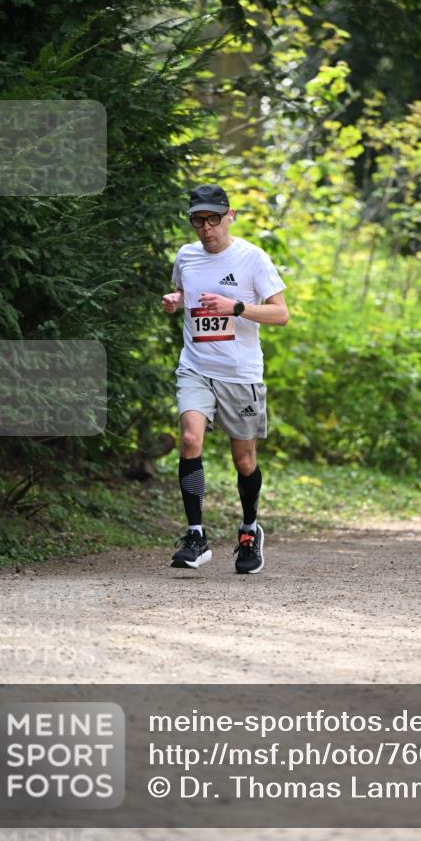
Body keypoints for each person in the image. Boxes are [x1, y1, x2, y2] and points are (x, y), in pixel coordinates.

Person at [162, 184, 289, 574]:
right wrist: (177, 300)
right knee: (189, 438)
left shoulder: (253, 258)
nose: (206, 228)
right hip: (197, 366)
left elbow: (281, 314)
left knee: (244, 460)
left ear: (229, 215)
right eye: (197, 220)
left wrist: (235, 306)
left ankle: (250, 529)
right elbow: (185, 290)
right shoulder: (186, 256)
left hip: (240, 374)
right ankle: (196, 535)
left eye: (213, 219)